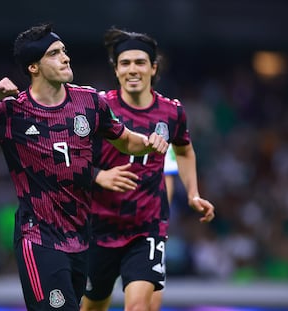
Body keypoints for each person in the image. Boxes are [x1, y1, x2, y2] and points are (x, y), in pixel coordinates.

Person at [0, 23, 168, 311]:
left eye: (64, 51)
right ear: (34, 67)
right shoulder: (11, 112)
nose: (66, 58)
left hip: (81, 240)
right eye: (55, 53)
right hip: (39, 239)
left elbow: (125, 142)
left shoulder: (89, 102)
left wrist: (149, 143)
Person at [80, 27, 215, 311]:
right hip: (98, 227)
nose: (132, 69)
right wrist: (99, 176)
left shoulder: (172, 112)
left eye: (140, 62)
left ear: (153, 68)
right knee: (93, 305)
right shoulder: (97, 108)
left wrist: (193, 193)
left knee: (140, 306)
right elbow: (69, 157)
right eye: (125, 63)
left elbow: (184, 149)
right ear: (115, 70)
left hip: (146, 228)